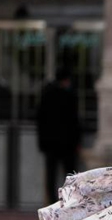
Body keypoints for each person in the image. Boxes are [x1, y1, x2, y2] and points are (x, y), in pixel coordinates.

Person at [36, 67, 81, 205]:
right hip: (67, 143)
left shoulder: (46, 94)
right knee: (70, 175)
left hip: (50, 143)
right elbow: (74, 120)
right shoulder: (69, 95)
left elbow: (40, 119)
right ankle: (69, 203)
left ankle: (52, 203)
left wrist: (42, 142)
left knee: (51, 175)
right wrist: (77, 141)